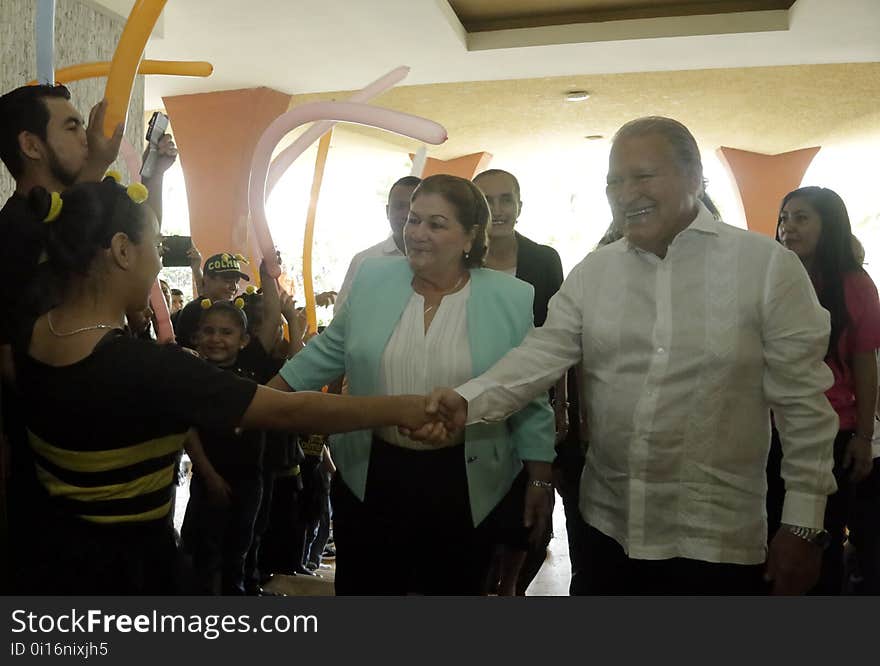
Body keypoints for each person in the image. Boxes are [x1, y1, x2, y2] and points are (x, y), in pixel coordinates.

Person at [420, 117, 839, 595]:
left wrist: (804, 525)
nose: (624, 193)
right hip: (608, 529)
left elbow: (804, 407)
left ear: (693, 176)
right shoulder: (595, 272)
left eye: (641, 176)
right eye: (613, 182)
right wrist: (467, 401)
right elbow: (541, 354)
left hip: (715, 541)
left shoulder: (767, 268)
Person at [15, 177, 443, 594]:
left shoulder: (30, 335)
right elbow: (290, 410)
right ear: (124, 251)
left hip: (49, 558)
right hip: (129, 572)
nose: (160, 263)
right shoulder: (152, 368)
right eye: (158, 247)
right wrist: (405, 407)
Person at [268, 174, 555, 595]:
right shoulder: (373, 279)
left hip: (464, 479)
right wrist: (262, 399)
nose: (417, 233)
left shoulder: (510, 298)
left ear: (470, 236)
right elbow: (330, 350)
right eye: (414, 220)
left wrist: (539, 477)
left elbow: (527, 392)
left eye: (436, 224)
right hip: (372, 470)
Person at [768, 186, 880, 593]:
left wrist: (865, 436)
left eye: (801, 218)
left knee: (818, 538)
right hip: (768, 428)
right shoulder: (770, 276)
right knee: (766, 536)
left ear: (827, 225)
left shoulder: (854, 284)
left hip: (831, 430)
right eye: (784, 218)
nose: (788, 228)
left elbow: (865, 363)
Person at [473, 168, 571, 595]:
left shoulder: (543, 259)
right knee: (480, 513)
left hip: (533, 401)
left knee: (527, 512)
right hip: (473, 403)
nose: (498, 209)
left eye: (506, 199)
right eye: (487, 200)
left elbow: (561, 337)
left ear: (519, 205)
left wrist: (562, 405)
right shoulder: (461, 258)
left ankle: (511, 587)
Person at [335, 176, 421, 311]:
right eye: (399, 206)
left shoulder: (441, 262)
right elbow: (342, 315)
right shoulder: (365, 260)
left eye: (412, 207)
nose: (406, 214)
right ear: (387, 211)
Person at [173, 252, 251, 349]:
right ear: (206, 279)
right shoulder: (194, 311)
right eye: (227, 281)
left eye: (236, 282)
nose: (234, 287)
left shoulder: (233, 309)